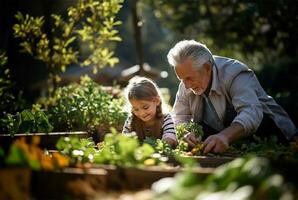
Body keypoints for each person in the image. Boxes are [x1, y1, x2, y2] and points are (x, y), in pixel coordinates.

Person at [167, 39, 297, 154]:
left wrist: (224, 136)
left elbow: (250, 112)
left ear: (207, 68)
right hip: (236, 145)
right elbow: (179, 116)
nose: (186, 86)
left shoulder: (235, 73)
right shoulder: (186, 82)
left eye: (190, 78)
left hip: (274, 137)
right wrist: (185, 133)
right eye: (181, 79)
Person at [122, 76, 178, 147]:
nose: (141, 113)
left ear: (157, 101)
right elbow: (124, 139)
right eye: (136, 109)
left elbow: (170, 137)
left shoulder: (166, 119)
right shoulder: (131, 121)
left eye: (145, 107)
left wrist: (160, 147)